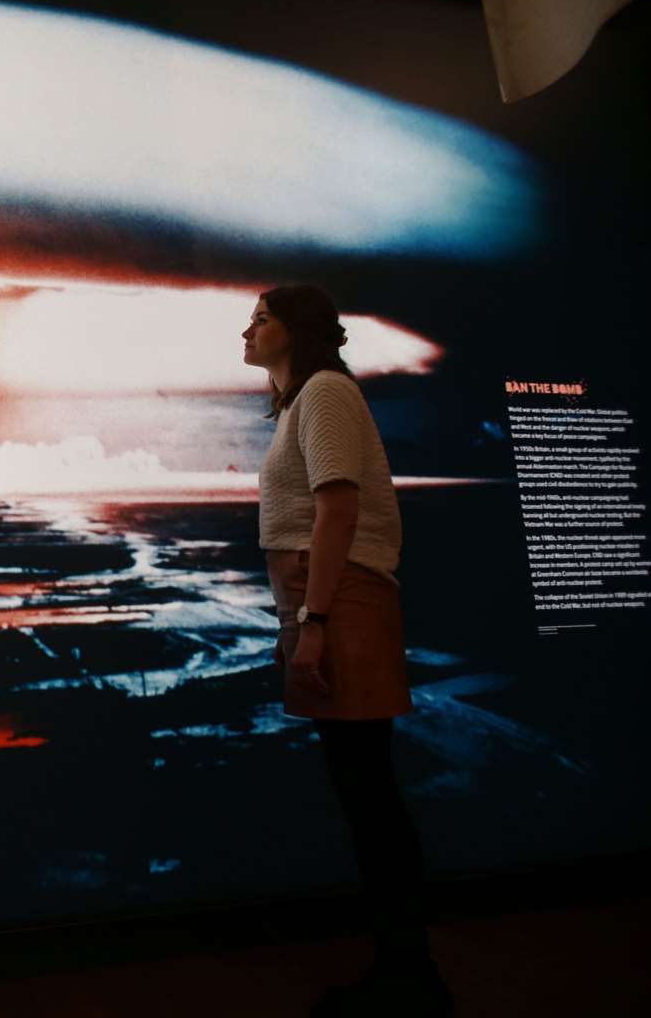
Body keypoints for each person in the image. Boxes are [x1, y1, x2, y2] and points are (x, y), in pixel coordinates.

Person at [242, 284, 453, 1017]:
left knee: (369, 797)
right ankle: (405, 969)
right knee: (365, 794)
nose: (248, 329)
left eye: (261, 319)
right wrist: (300, 619)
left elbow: (338, 507)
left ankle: (409, 976)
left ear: (295, 332)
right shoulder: (306, 400)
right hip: (327, 598)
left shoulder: (326, 392)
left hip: (340, 600)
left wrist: (318, 619)